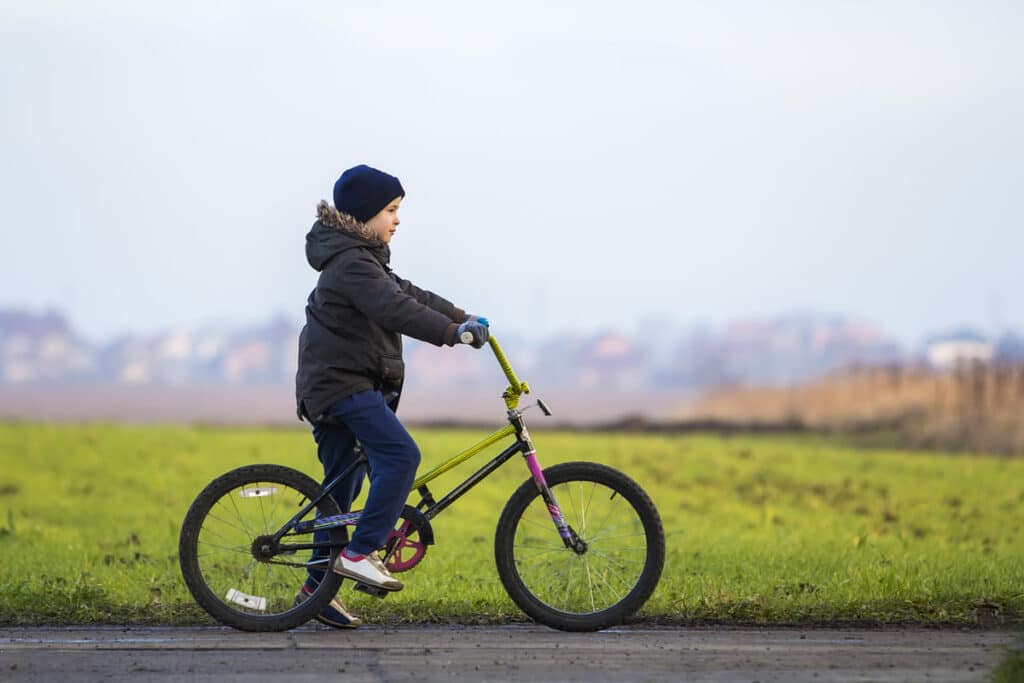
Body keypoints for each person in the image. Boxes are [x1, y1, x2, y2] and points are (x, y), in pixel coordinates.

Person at [293, 164, 490, 628]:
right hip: (342, 385)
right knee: (401, 456)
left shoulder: (364, 260)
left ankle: (315, 592)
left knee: (340, 493)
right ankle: (361, 553)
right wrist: (451, 334)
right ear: (363, 216)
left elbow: (406, 292)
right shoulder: (353, 265)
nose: (397, 221)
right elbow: (393, 307)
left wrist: (461, 314)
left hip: (336, 384)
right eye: (390, 211)